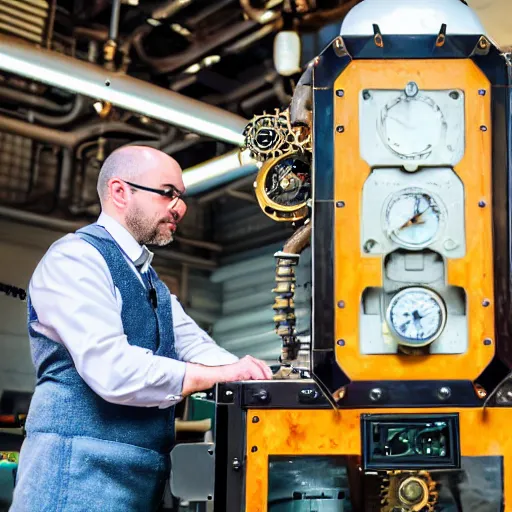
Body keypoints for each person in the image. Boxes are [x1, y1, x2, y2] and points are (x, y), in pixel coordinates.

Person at [10, 146, 273, 512]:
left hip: (138, 478)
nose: (179, 207)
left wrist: (257, 378)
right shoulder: (76, 259)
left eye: (181, 197)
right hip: (75, 477)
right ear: (120, 191)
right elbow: (113, 369)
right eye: (168, 193)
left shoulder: (150, 281)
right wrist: (221, 374)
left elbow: (196, 347)